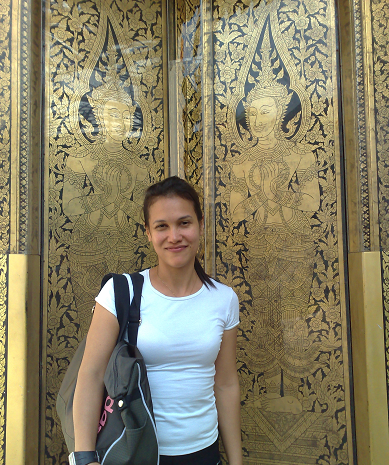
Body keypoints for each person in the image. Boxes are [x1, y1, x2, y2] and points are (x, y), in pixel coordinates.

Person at [72, 176, 243, 465]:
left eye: (184, 223)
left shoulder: (223, 299)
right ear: (148, 233)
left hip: (203, 452)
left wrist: (236, 461)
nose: (174, 236)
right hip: (136, 450)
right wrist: (85, 457)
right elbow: (90, 376)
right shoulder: (120, 292)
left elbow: (225, 383)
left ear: (201, 225)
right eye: (162, 226)